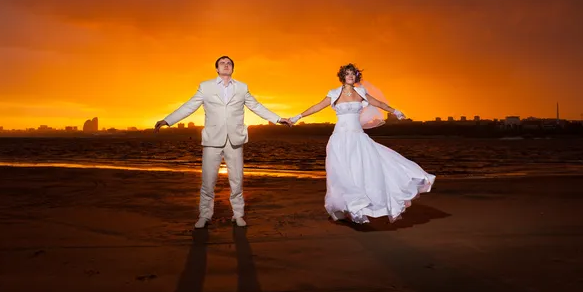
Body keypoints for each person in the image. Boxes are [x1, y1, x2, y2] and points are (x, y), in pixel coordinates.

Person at [155, 56, 291, 228]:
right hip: (212, 140)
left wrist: (278, 119)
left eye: (229, 63)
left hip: (235, 140)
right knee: (208, 180)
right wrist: (167, 120)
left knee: (236, 180)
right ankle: (205, 215)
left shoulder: (242, 88)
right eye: (222, 63)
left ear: (232, 68)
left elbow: (257, 107)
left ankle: (238, 214)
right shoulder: (205, 87)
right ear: (217, 69)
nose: (226, 65)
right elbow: (189, 106)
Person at [289, 63, 435, 223]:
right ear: (342, 77)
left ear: (356, 76)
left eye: (352, 74)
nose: (350, 76)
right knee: (341, 173)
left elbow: (378, 103)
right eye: (347, 73)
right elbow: (317, 106)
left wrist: (394, 111)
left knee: (362, 169)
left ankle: (359, 206)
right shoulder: (334, 93)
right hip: (339, 138)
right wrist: (298, 117)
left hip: (358, 138)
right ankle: (346, 206)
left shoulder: (361, 92)